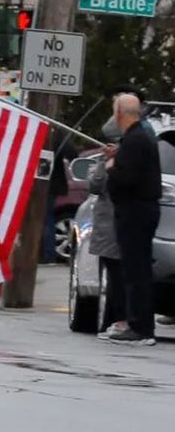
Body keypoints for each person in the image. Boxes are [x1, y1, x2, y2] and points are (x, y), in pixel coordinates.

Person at [105, 93, 161, 346]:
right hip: (141, 210)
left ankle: (140, 326)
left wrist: (111, 165)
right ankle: (138, 322)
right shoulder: (138, 138)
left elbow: (126, 178)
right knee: (136, 269)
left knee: (136, 270)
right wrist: (119, 155)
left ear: (119, 114)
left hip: (135, 210)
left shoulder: (135, 140)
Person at [88, 118, 126, 339]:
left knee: (118, 277)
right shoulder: (106, 160)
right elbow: (95, 185)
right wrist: (104, 161)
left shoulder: (128, 157)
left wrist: (112, 161)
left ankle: (118, 319)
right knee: (112, 272)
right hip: (108, 224)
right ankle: (111, 320)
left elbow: (99, 185)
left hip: (118, 223)